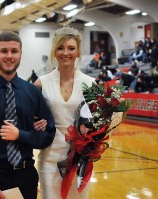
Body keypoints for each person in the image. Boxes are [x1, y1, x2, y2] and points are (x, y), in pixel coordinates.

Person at [0, 31, 56, 199]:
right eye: (4, 51)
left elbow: (48, 134)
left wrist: (21, 135)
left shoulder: (32, 92)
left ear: (21, 54)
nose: (9, 56)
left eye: (14, 51)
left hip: (25, 176)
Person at [34, 26, 96, 199]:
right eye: (60, 48)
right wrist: (34, 124)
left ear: (78, 52)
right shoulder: (41, 83)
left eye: (71, 48)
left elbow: (98, 122)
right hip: (49, 160)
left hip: (80, 160)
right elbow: (30, 117)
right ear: (54, 52)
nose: (65, 53)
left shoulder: (91, 84)